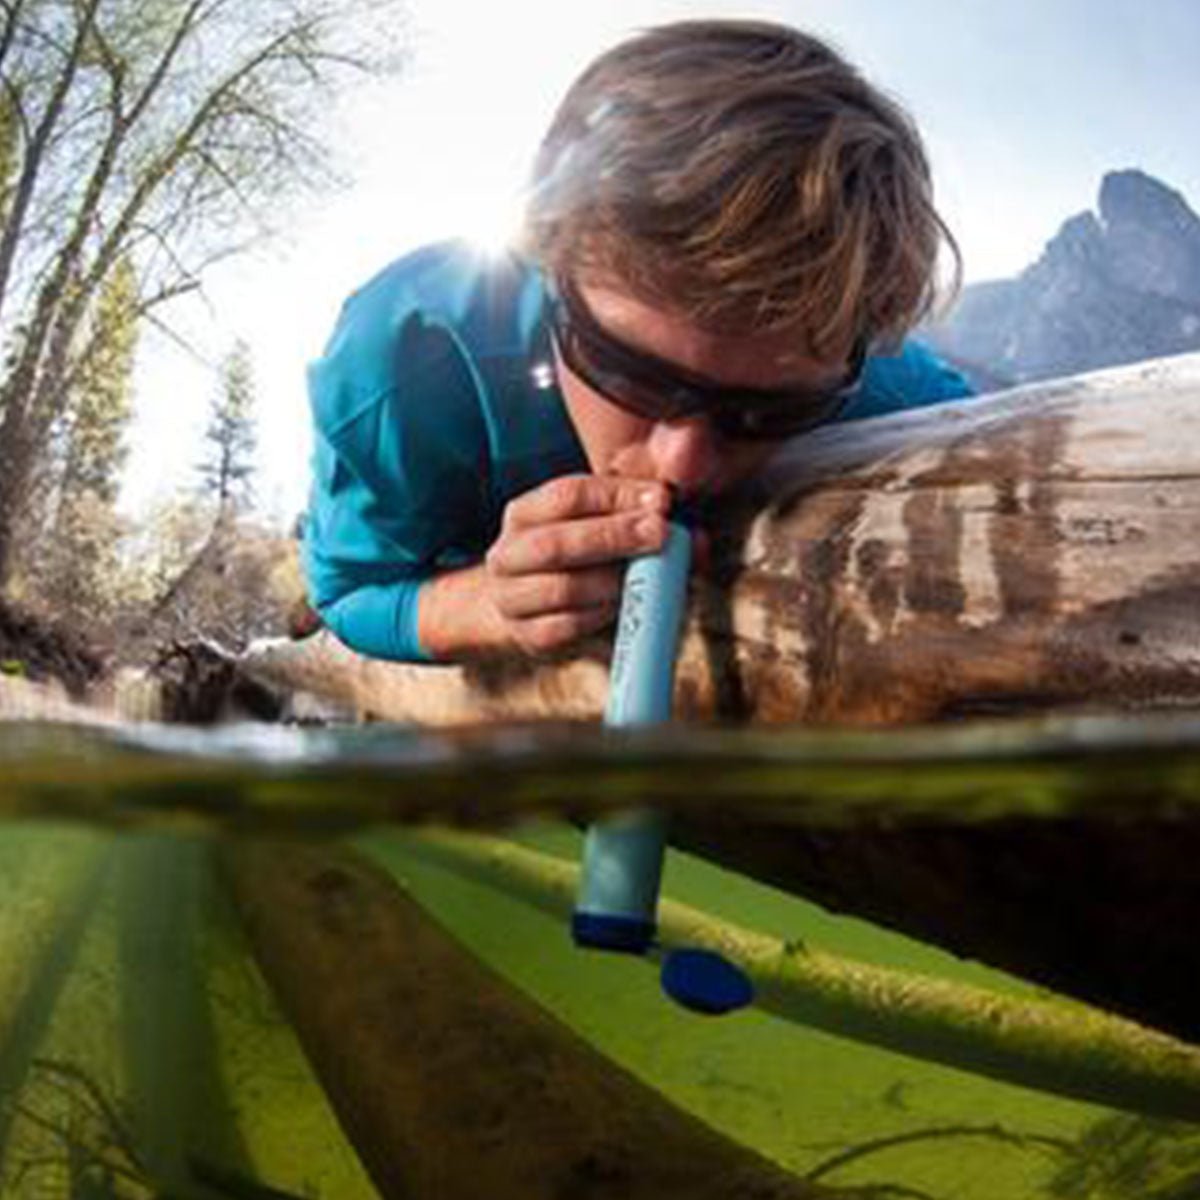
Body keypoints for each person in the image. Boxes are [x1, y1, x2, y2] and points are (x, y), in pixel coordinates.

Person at [303, 18, 972, 664]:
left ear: (857, 354)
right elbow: (350, 593)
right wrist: (489, 604)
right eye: (630, 373)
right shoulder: (410, 353)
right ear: (548, 257)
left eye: (768, 415)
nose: (681, 463)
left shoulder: (900, 396)